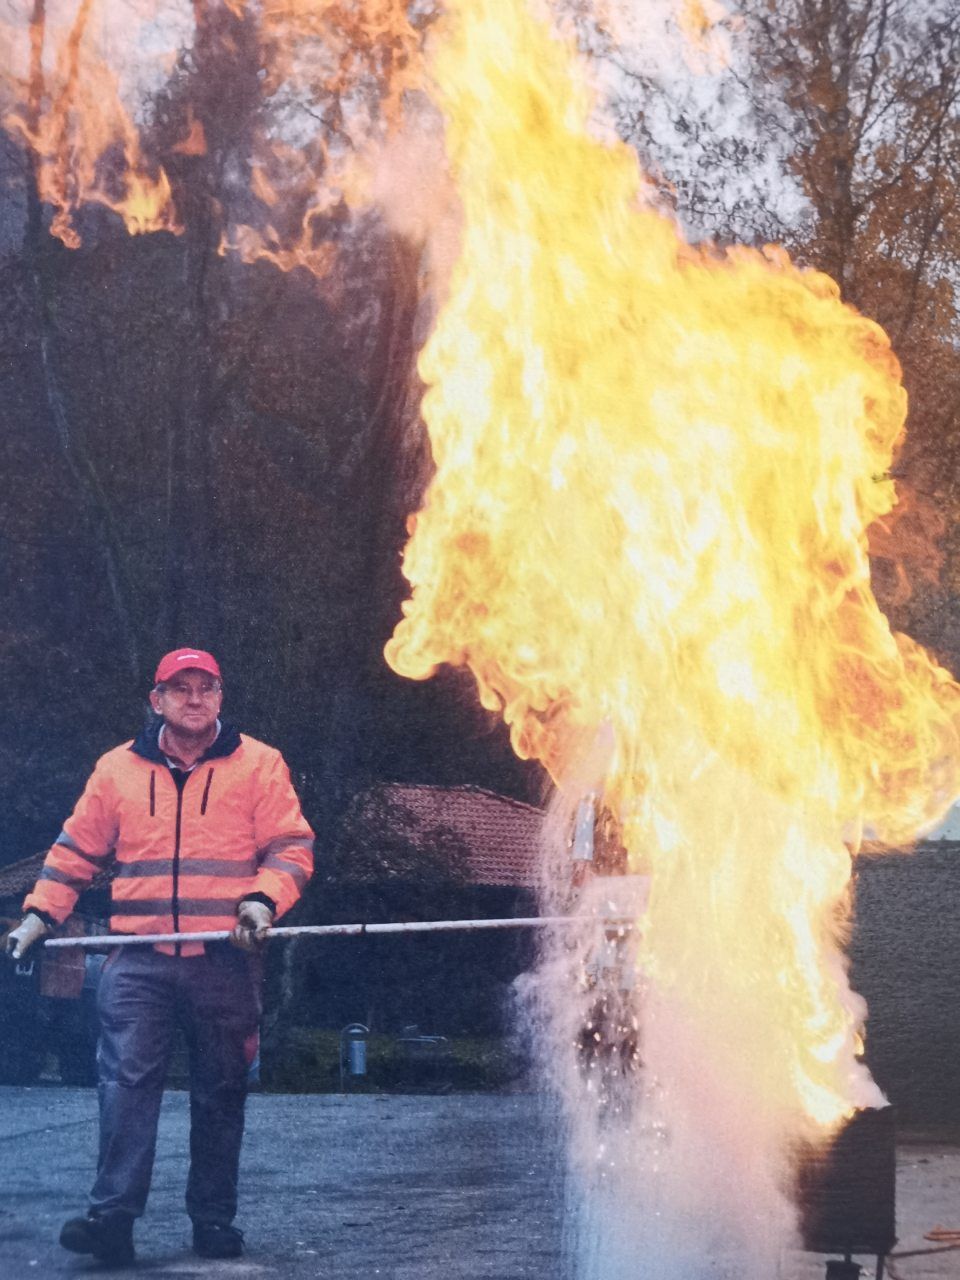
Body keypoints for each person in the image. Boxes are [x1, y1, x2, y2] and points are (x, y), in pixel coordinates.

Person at [5, 647, 314, 1265]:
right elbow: (74, 854)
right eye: (180, 688)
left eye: (206, 687)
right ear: (158, 700)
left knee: (221, 1091)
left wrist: (263, 902)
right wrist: (40, 914)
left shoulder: (260, 765)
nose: (194, 698)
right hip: (137, 959)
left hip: (225, 960)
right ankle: (112, 1220)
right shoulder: (116, 770)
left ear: (221, 698)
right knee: (124, 1085)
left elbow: (291, 848)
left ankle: (213, 1222)